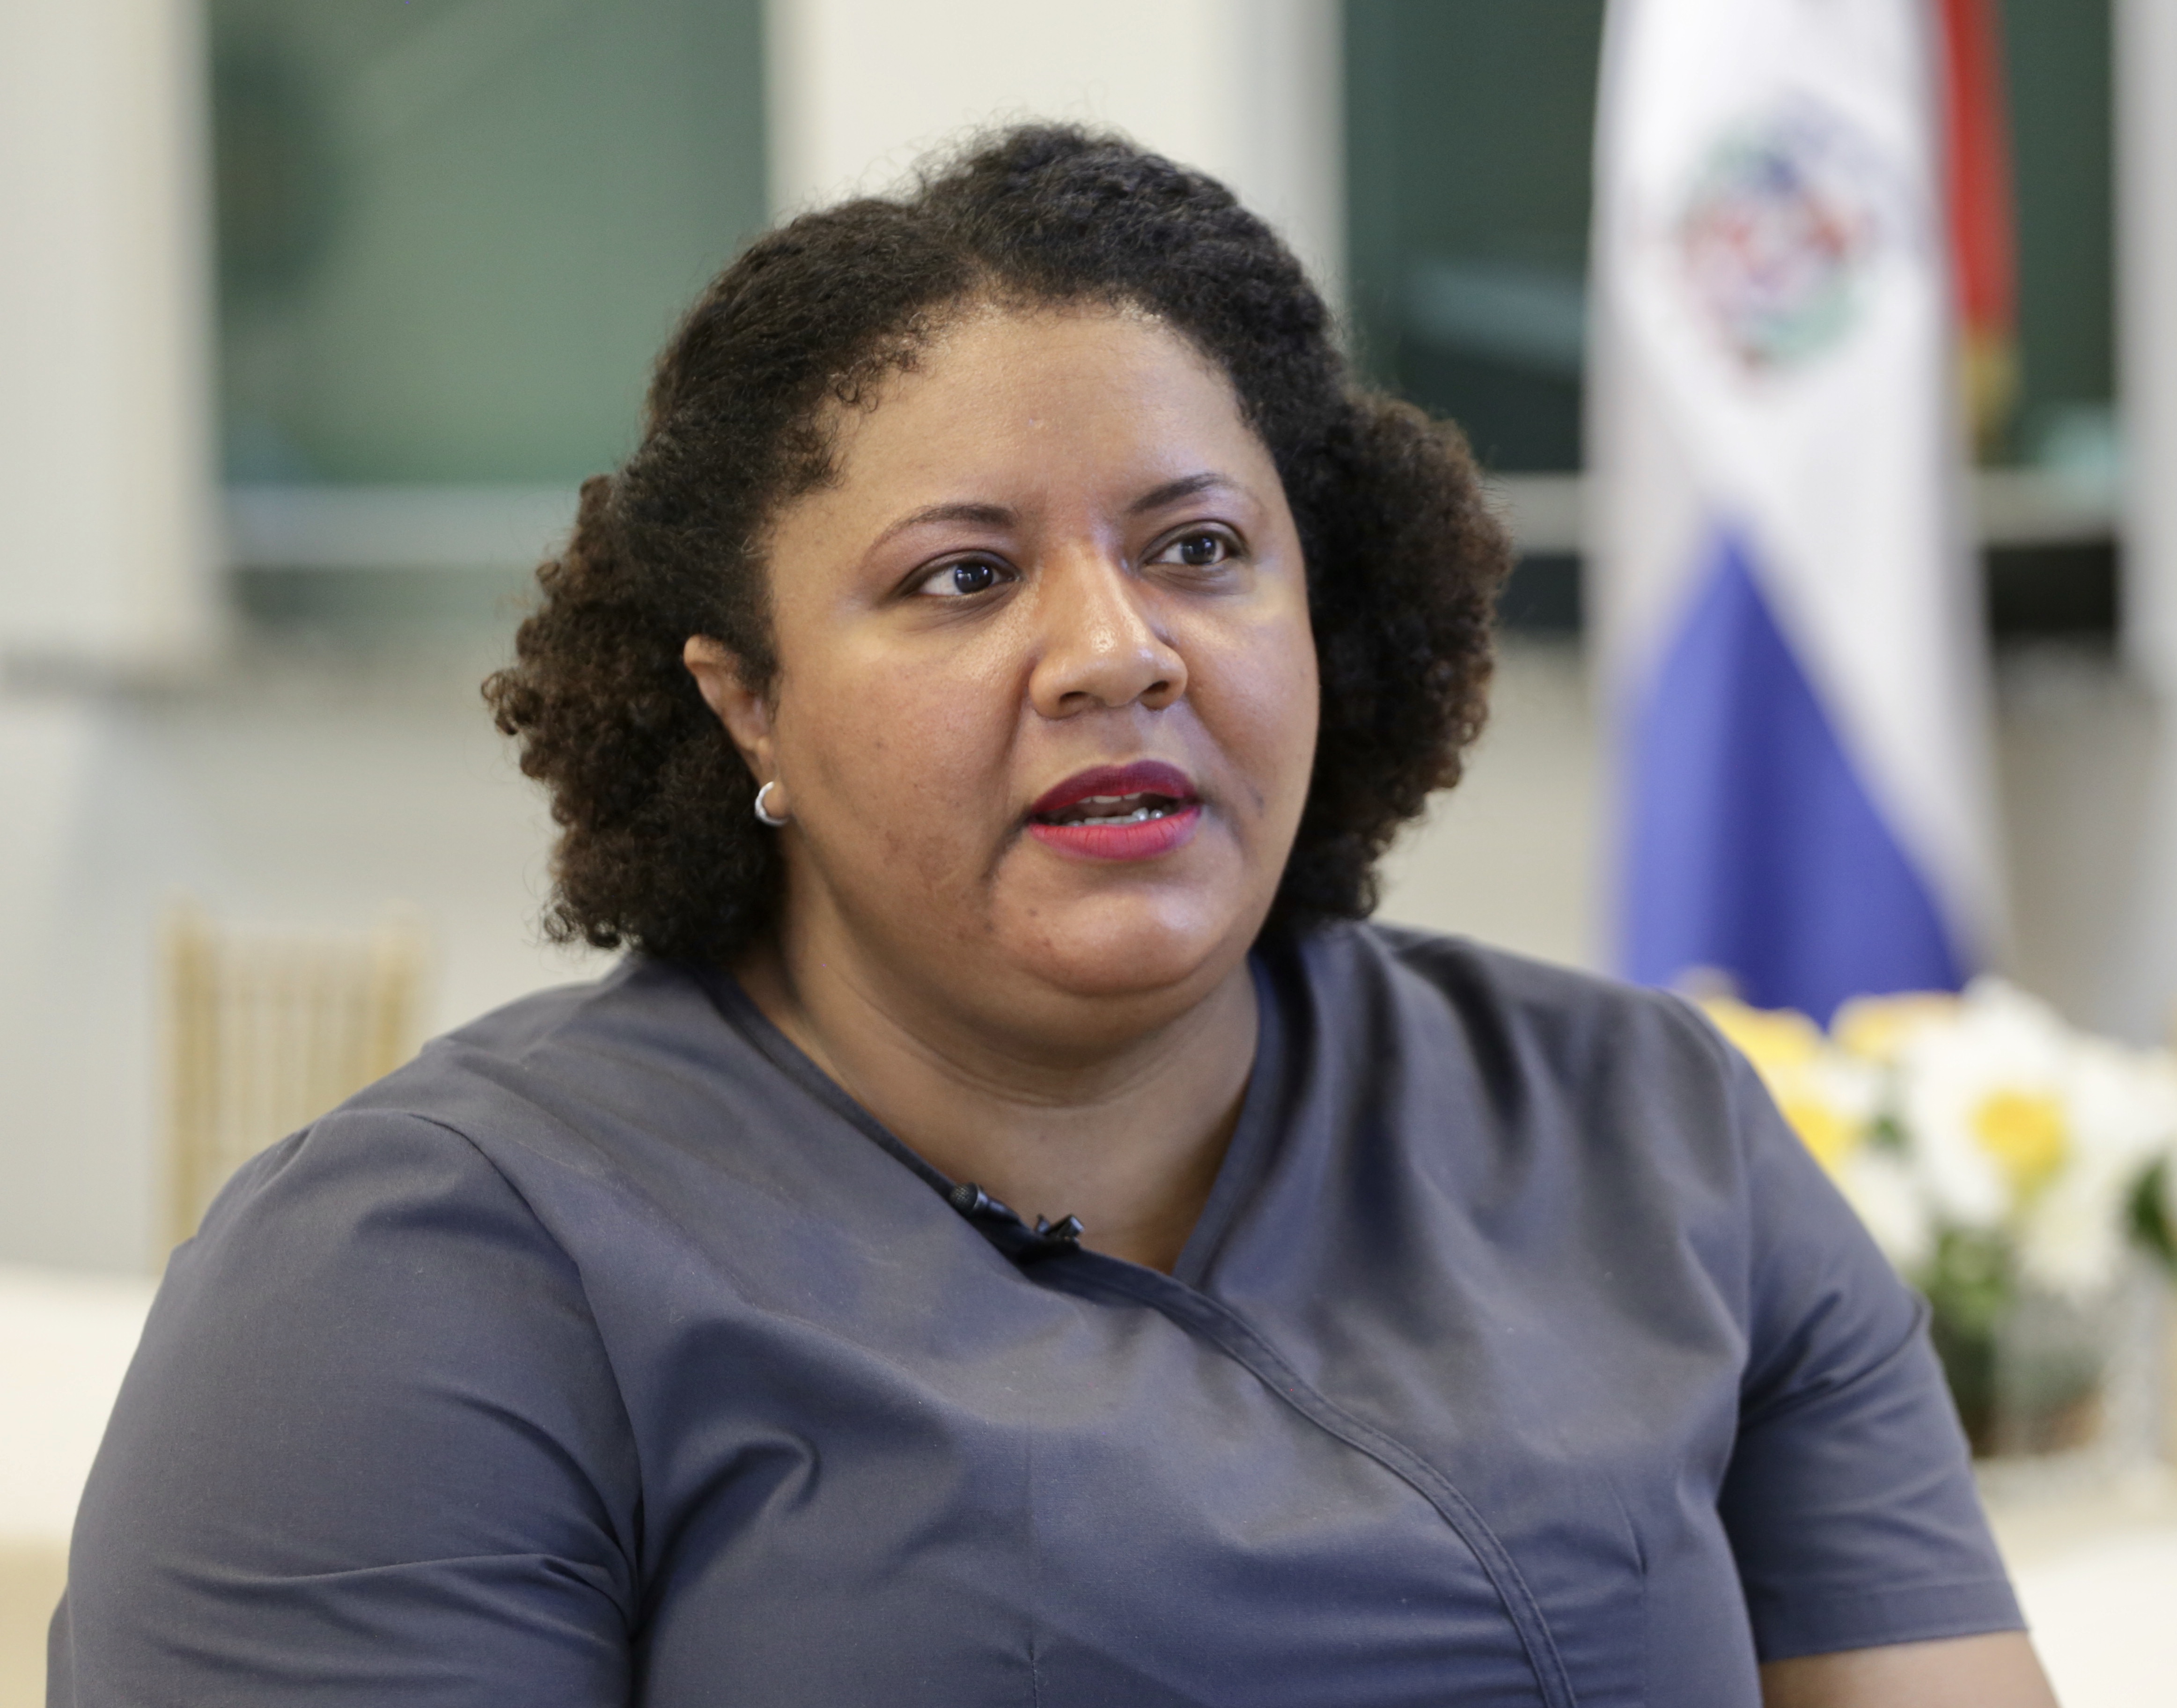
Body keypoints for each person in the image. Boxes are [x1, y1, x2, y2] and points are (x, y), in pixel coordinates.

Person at [53, 127, 2052, 1707]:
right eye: (960, 577)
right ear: (745, 701)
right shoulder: (429, 1265)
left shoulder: (1646, 1126)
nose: (1119, 651)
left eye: (1200, 548)